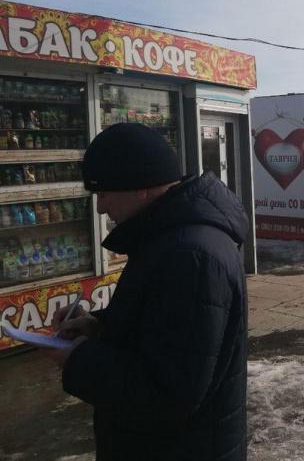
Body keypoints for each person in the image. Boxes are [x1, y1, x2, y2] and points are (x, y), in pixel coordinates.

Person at [49, 123, 249, 461]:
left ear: (141, 188)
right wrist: (99, 327)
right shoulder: (170, 239)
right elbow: (165, 330)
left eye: (104, 193)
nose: (100, 208)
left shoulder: (189, 255)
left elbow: (168, 394)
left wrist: (78, 360)